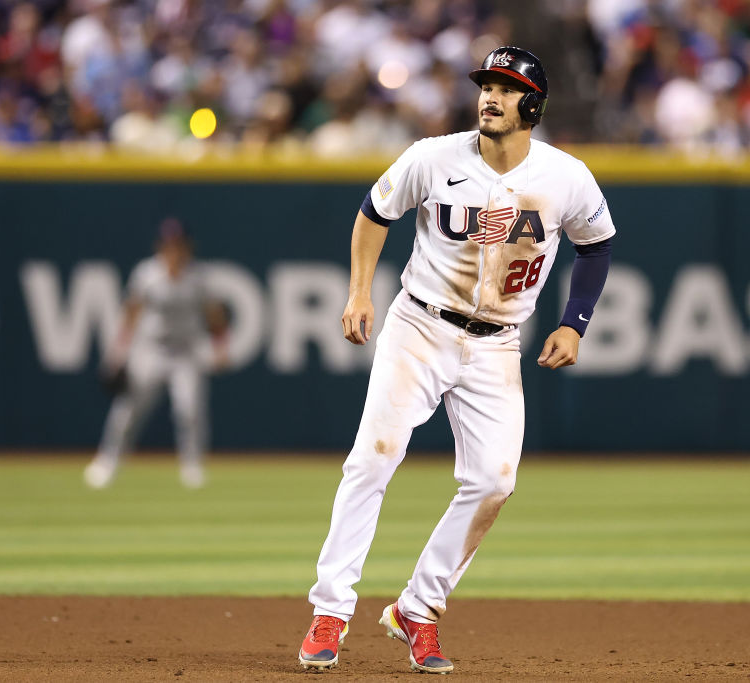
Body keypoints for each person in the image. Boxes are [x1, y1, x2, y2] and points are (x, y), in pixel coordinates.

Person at [297, 46, 615, 674]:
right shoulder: (432, 156)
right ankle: (330, 610)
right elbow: (374, 213)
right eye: (486, 85)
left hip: (497, 343)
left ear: (534, 104)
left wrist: (575, 323)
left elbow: (597, 245)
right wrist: (360, 291)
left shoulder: (566, 175)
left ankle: (419, 609)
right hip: (419, 325)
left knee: (495, 481)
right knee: (372, 461)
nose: (490, 96)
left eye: (506, 87)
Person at [83, 217, 228, 490]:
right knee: (128, 411)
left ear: (188, 246)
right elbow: (131, 314)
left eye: (178, 244)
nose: (173, 250)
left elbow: (215, 316)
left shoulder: (199, 277)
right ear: (160, 246)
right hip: (151, 350)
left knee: (190, 409)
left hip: (186, 351)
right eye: (169, 244)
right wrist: (117, 354)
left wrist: (220, 348)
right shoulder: (147, 274)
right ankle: (108, 461)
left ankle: (192, 465)